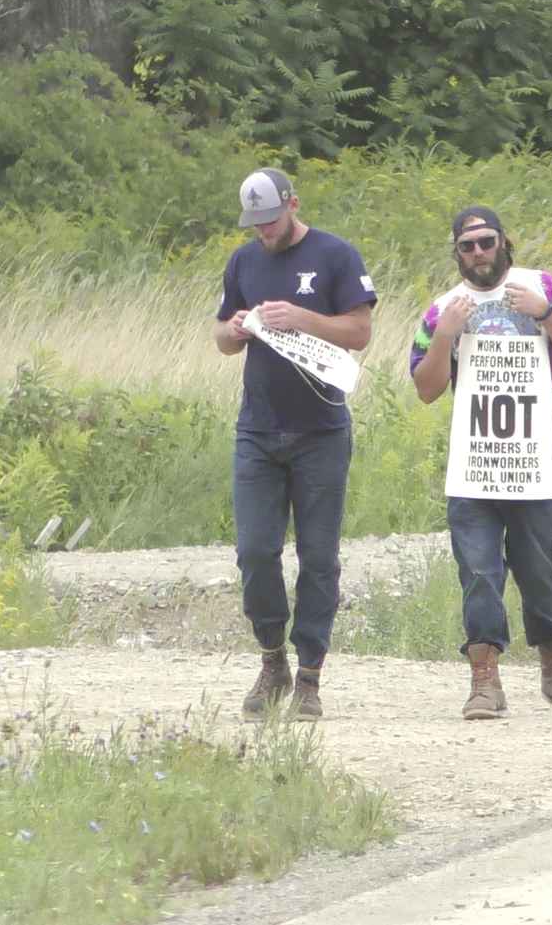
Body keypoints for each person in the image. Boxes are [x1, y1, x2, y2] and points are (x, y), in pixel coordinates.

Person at [411, 206, 552, 720]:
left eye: (486, 242)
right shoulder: (441, 309)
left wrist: (545, 313)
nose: (478, 253)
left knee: (541, 570)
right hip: (473, 465)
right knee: (477, 572)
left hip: (533, 461)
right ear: (457, 253)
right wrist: (446, 334)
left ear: (504, 242)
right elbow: (426, 390)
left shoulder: (542, 286)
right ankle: (484, 680)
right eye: (467, 246)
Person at [214, 167, 377, 722]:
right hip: (257, 429)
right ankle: (271, 658)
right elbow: (220, 340)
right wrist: (235, 328)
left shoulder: (336, 256)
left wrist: (301, 317)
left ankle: (310, 674)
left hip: (321, 431)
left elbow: (360, 333)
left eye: (271, 220)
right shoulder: (243, 261)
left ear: (293, 205)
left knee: (318, 556)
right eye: (254, 224)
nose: (263, 232)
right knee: (256, 550)